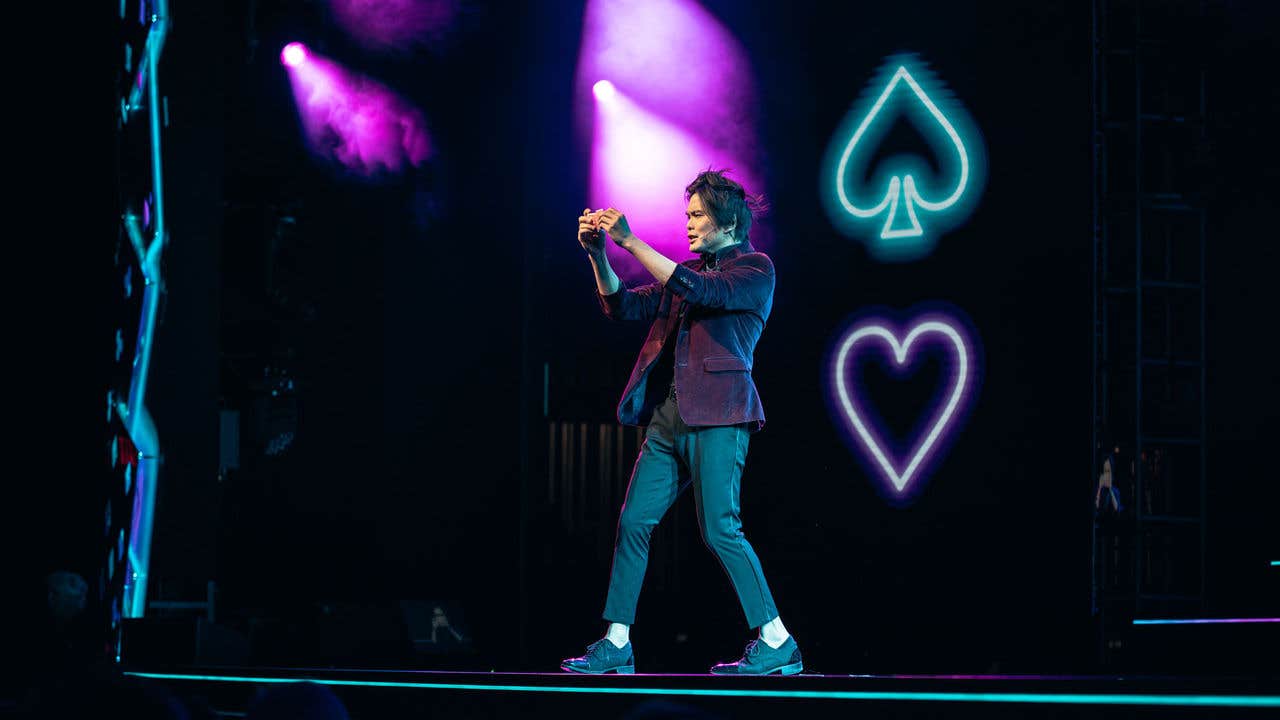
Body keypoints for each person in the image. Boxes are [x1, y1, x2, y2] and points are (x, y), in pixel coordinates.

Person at [560, 169, 802, 676]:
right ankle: (618, 641)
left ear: (727, 220)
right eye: (687, 215)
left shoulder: (756, 269)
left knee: (720, 529)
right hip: (670, 418)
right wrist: (599, 254)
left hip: (721, 414)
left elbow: (702, 289)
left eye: (697, 215)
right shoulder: (687, 274)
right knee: (634, 522)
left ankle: (778, 639)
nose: (689, 224)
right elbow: (624, 305)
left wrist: (629, 239)